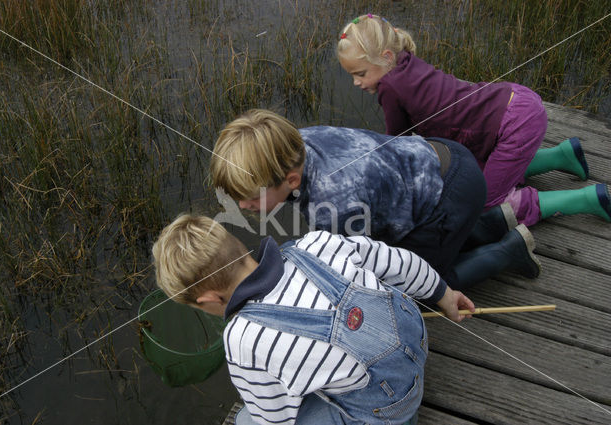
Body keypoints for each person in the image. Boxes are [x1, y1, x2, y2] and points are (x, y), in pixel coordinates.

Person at [152, 214, 476, 424]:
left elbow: (274, 418)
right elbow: (396, 262)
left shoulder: (241, 338)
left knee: (246, 420)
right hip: (415, 351)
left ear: (208, 299)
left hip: (385, 409)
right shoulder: (316, 243)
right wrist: (443, 295)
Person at [210, 109, 540, 291]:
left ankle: (509, 252)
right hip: (443, 156)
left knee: (416, 285)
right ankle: (496, 221)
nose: (243, 207)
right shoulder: (295, 144)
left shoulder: (334, 203)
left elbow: (363, 262)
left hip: (448, 195)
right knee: (421, 243)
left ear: (290, 180)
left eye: (250, 198)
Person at [336, 13, 611, 229]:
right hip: (515, 100)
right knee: (485, 161)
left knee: (485, 201)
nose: (356, 82)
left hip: (514, 123)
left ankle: (584, 199)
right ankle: (562, 156)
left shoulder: (390, 88)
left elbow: (396, 142)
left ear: (385, 58)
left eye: (360, 73)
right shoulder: (405, 61)